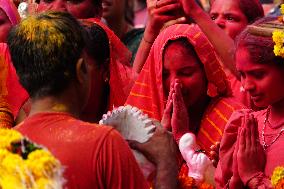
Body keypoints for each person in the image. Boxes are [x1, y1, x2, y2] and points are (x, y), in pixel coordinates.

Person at [9, 11, 179, 189]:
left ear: (22, 79)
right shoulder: (104, 144)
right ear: (81, 70)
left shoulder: (6, 149)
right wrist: (166, 162)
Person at [126, 24, 244, 173]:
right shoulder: (147, 123)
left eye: (186, 73)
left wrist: (182, 138)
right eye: (164, 75)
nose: (175, 83)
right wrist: (164, 135)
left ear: (206, 71)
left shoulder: (234, 119)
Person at [215, 17, 284, 188]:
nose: (246, 86)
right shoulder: (244, 125)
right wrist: (237, 179)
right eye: (242, 75)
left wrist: (253, 176)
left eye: (259, 74)